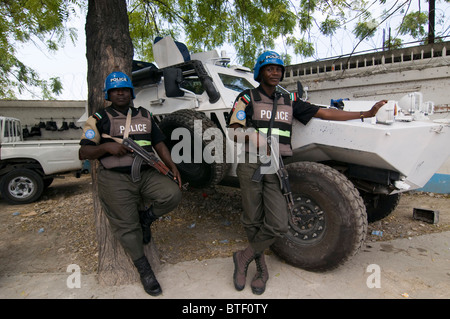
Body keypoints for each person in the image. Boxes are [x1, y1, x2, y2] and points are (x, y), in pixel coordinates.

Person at [227, 51, 387, 295]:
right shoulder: (246, 98)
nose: (275, 73)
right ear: (260, 71)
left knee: (279, 223)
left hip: (276, 165)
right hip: (251, 163)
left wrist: (364, 115)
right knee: (252, 219)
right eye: (270, 68)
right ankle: (260, 266)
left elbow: (324, 113)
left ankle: (244, 256)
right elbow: (234, 130)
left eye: (279, 69)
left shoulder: (289, 99)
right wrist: (252, 135)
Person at [79, 71, 182, 296]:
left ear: (131, 92)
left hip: (145, 173)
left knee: (172, 194)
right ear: (109, 94)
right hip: (115, 178)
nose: (121, 93)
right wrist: (106, 148)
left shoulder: (145, 114)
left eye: (124, 89)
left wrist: (172, 166)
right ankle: (144, 269)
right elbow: (83, 151)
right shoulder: (99, 118)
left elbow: (159, 143)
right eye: (116, 90)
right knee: (127, 227)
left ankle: (147, 219)